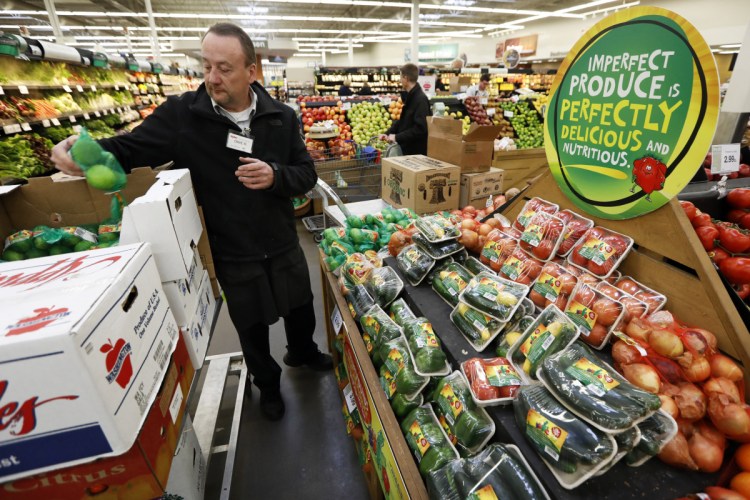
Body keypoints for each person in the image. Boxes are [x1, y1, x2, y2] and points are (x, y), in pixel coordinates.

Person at [50, 22, 331, 422]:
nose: (213, 78)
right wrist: (85, 154)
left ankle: (303, 351)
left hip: (283, 240)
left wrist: (275, 176)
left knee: (300, 305)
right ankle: (267, 384)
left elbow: (306, 173)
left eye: (225, 68)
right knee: (250, 325)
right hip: (231, 247)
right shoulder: (184, 117)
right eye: (206, 67)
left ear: (252, 71)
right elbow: (130, 148)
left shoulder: (281, 117)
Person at [380, 63, 430, 155]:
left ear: (406, 79)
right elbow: (403, 121)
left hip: (416, 154)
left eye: (401, 77)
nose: (400, 80)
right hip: (408, 150)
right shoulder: (411, 97)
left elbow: (420, 129)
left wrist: (397, 137)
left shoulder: (420, 99)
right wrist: (387, 134)